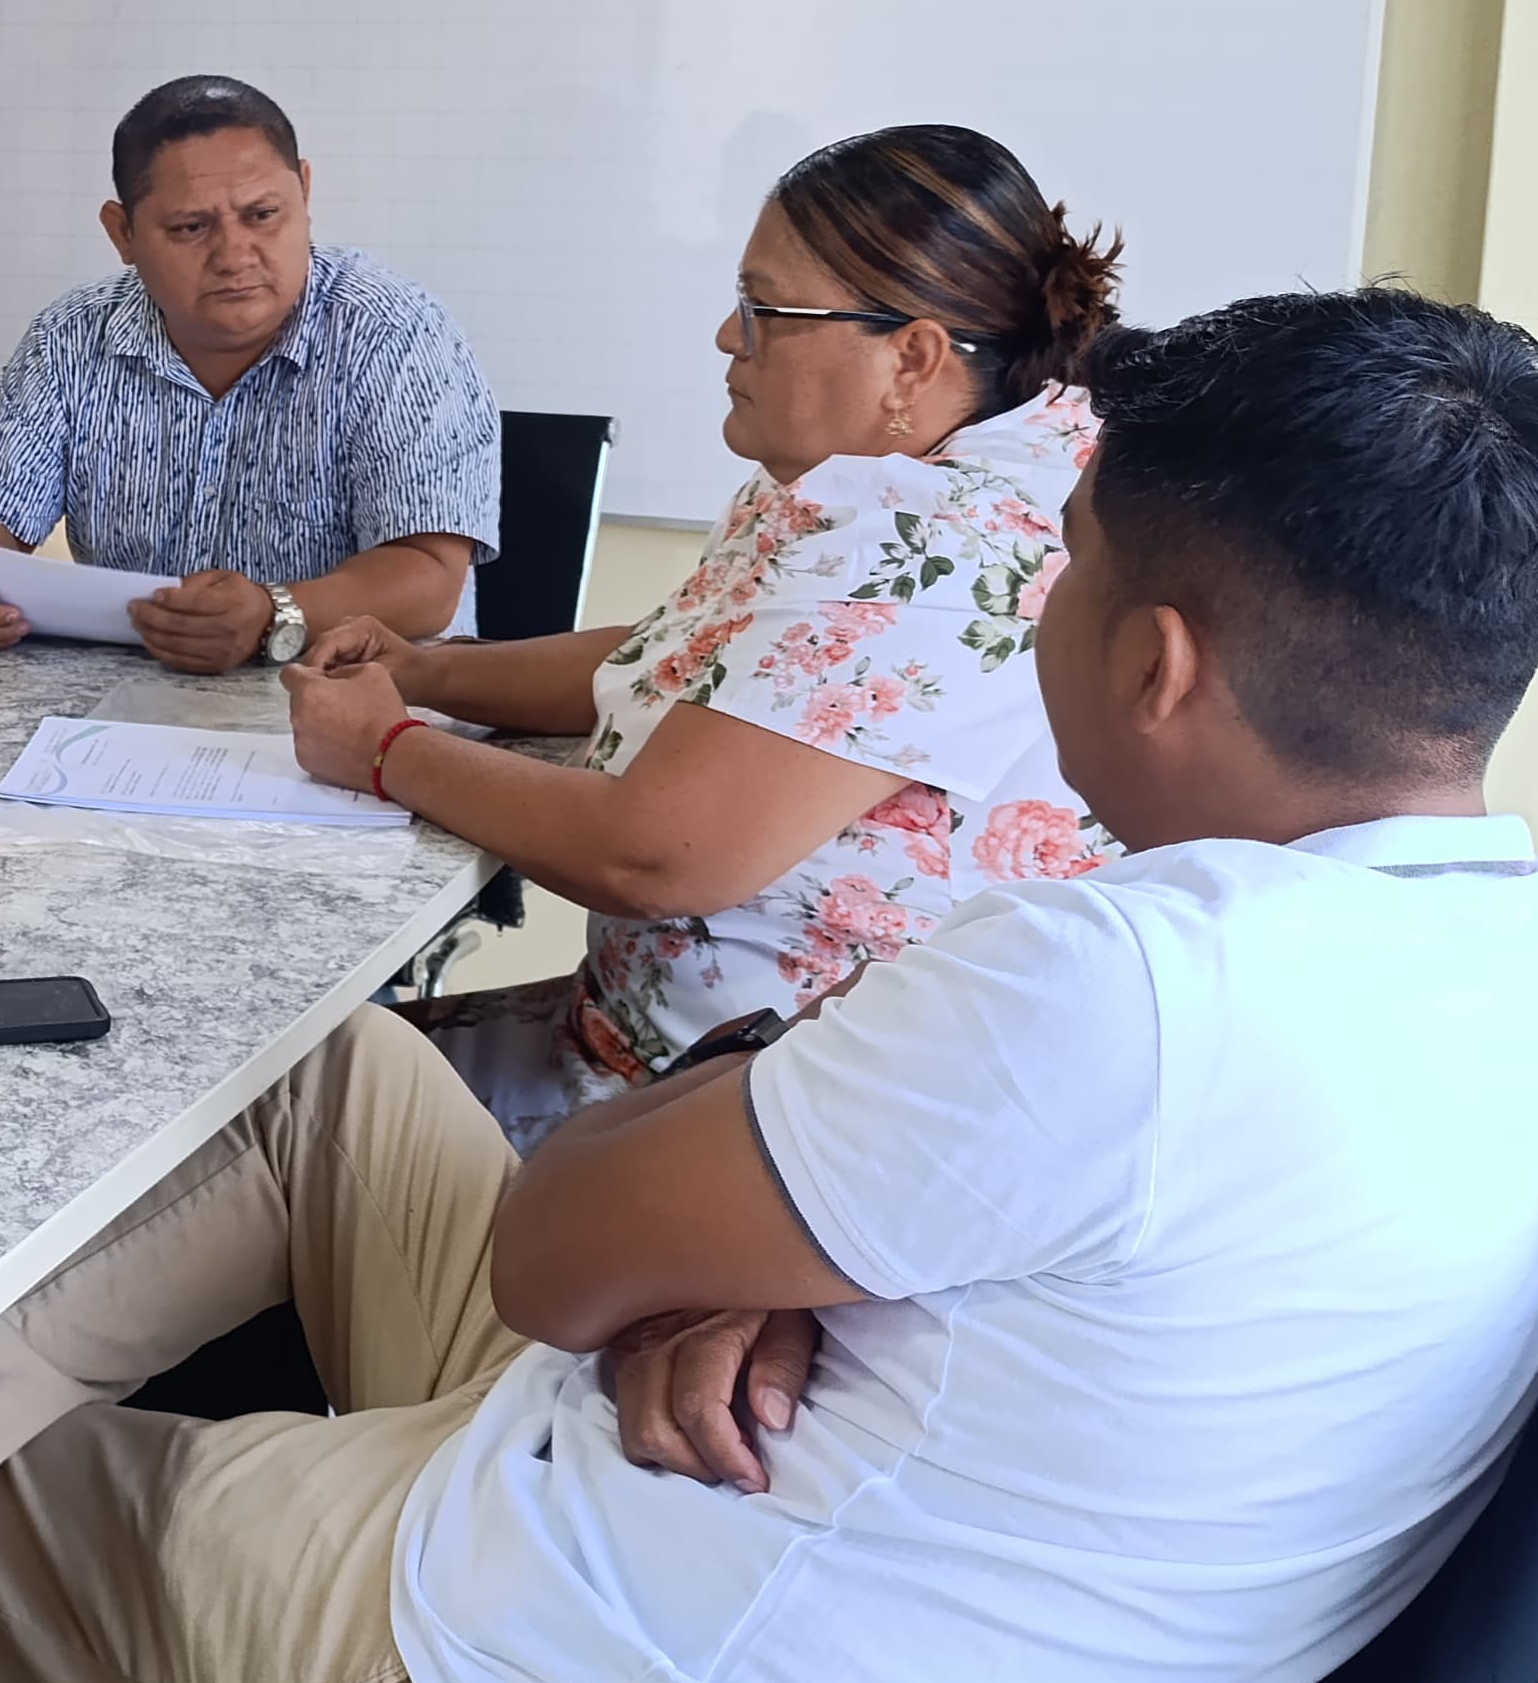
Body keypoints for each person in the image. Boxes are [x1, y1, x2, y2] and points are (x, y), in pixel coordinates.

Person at [0, 282, 1538, 1683]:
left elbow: (550, 1251)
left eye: (1069, 569)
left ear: (1160, 662)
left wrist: (718, 1238)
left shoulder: (1114, 993)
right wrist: (757, 1254)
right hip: (769, 1655)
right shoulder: (1507, 1000)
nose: (1033, 610)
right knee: (334, 1077)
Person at [287, 125, 1121, 1145]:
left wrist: (383, 750)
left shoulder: (939, 544)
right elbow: (677, 657)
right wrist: (428, 672)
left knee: (277, 1118)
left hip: (759, 1124)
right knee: (289, 1080)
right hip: (646, 1043)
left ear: (912, 357)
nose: (730, 337)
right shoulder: (862, 484)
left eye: (767, 311)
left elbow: (656, 856)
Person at [0, 75, 501, 674]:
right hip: (131, 700)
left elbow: (429, 576)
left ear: (304, 192)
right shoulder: (73, 337)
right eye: (191, 228)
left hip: (354, 698)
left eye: (263, 215)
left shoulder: (395, 334)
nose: (235, 256)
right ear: (123, 233)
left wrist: (275, 614)